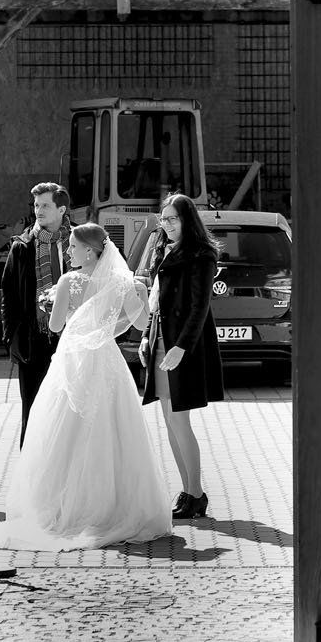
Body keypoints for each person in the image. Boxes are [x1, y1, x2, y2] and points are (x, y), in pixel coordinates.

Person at [0, 223, 170, 550]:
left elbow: (56, 325)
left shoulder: (68, 282)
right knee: (112, 427)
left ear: (89, 251)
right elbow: (141, 322)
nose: (69, 252)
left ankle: (66, 505)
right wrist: (142, 296)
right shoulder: (122, 282)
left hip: (73, 358)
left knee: (64, 426)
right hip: (105, 359)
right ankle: (114, 506)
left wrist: (55, 306)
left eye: (73, 247)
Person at [140, 192, 224, 520]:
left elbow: (200, 307)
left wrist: (180, 347)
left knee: (180, 421)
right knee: (170, 422)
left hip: (183, 346)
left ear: (187, 219)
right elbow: (156, 302)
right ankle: (188, 491)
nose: (166, 224)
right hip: (162, 341)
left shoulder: (202, 254)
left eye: (172, 219)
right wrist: (146, 337)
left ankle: (196, 494)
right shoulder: (163, 249)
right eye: (163, 219)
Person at [0, 182, 72, 446]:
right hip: (35, 341)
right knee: (33, 410)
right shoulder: (22, 247)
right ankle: (30, 467)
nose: (38, 211)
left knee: (69, 411)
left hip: (72, 339)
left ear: (61, 209)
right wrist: (12, 340)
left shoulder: (80, 241)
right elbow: (8, 297)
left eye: (45, 205)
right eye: (36, 205)